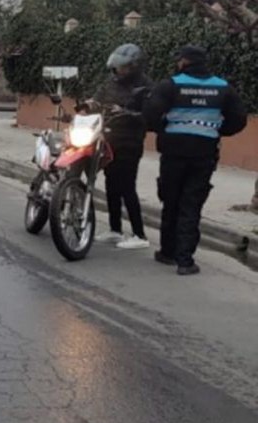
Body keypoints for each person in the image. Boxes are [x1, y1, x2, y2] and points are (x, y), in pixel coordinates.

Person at [143, 45, 248, 275]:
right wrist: (217, 130)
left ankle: (167, 253)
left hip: (173, 152)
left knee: (171, 201)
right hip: (204, 153)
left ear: (184, 62)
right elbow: (239, 119)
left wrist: (164, 129)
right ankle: (185, 261)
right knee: (191, 204)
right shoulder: (223, 88)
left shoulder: (171, 84)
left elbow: (150, 114)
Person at [91, 44, 153, 250]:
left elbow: (149, 116)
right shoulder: (110, 83)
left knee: (127, 187)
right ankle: (115, 229)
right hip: (109, 140)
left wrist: (127, 112)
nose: (119, 71)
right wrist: (90, 105)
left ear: (134, 67)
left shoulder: (144, 87)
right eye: (117, 67)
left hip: (130, 142)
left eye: (123, 68)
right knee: (111, 186)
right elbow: (98, 100)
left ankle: (139, 234)